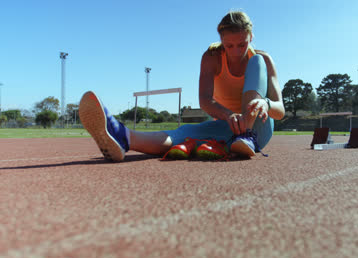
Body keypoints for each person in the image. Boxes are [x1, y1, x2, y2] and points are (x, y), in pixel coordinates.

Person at [79, 11, 285, 162]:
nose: (236, 51)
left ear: (251, 37)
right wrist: (229, 115)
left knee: (256, 60)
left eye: (242, 44)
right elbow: (205, 100)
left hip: (258, 129)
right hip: (227, 126)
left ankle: (246, 135)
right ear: (221, 41)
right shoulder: (212, 57)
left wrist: (265, 103)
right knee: (182, 133)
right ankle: (123, 137)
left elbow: (280, 111)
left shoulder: (264, 59)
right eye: (229, 46)